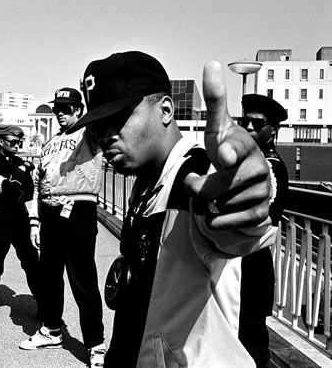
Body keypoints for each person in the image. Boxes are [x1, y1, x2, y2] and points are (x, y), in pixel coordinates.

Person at [68, 51, 277, 367]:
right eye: (99, 126)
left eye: (120, 118)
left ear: (165, 110)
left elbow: (230, 230)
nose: (107, 135)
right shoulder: (146, 181)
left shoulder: (194, 178)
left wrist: (246, 192)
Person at [19, 87, 107, 368]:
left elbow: (101, 115)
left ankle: (96, 344)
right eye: (57, 108)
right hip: (50, 211)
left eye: (67, 108)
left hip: (79, 208)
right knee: (50, 276)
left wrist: (90, 95)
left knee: (82, 277)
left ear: (78, 110)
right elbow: (36, 183)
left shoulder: (89, 133)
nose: (60, 113)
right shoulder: (49, 143)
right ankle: (52, 329)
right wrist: (34, 220)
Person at [238, 93, 289, 368]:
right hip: (243, 260)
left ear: (273, 129)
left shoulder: (270, 167)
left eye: (256, 124)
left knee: (252, 342)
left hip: (252, 262)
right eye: (245, 121)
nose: (248, 128)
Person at [0, 125, 42, 328]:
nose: (17, 145)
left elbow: (28, 194)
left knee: (33, 264)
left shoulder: (20, 164)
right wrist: (21, 172)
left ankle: (43, 304)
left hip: (21, 221)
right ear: (1, 142)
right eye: (13, 142)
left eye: (19, 142)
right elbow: (7, 190)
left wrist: (15, 182)